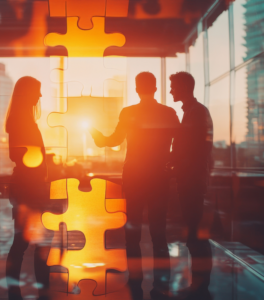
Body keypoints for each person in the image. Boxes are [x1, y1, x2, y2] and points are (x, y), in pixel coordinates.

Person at [89, 72, 180, 300]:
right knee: (159, 233)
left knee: (133, 234)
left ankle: (135, 279)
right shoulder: (168, 113)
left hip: (135, 178)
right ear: (156, 88)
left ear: (137, 89)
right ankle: (162, 280)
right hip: (159, 179)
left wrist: (94, 133)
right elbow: (179, 147)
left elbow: (111, 141)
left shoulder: (129, 112)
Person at [5, 77, 53, 300]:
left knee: (28, 242)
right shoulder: (20, 120)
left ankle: (26, 289)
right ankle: (37, 288)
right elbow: (16, 154)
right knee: (27, 242)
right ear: (27, 93)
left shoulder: (22, 119)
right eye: (38, 91)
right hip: (28, 188)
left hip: (30, 187)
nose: (40, 96)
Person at [168, 72, 213, 300]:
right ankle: (199, 286)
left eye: (173, 87)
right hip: (190, 180)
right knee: (195, 234)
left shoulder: (196, 113)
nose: (170, 91)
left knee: (196, 235)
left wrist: (173, 162)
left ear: (184, 86)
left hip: (192, 181)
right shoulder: (193, 113)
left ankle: (200, 287)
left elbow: (195, 151)